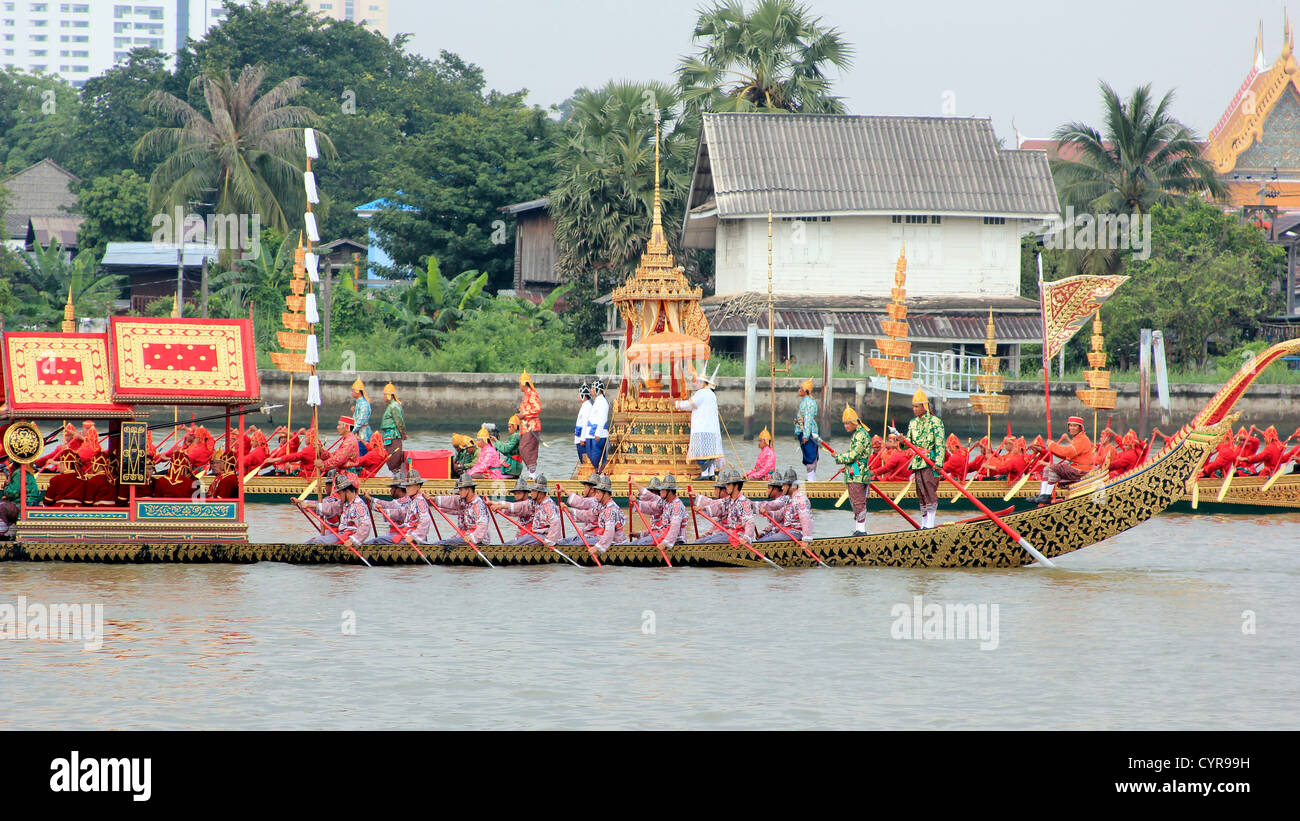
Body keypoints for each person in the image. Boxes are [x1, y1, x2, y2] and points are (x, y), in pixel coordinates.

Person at [903, 389, 945, 529]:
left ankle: (930, 524)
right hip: (917, 461)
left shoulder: (935, 422)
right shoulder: (912, 423)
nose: (914, 409)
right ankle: (924, 524)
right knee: (920, 492)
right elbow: (908, 443)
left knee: (929, 490)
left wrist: (939, 463)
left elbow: (940, 444)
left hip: (930, 461)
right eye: (913, 406)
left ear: (924, 406)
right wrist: (902, 440)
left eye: (917, 406)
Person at [1029, 415, 1094, 504]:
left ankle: (1047, 495)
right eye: (1070, 425)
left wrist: (1052, 445)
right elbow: (1066, 456)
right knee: (1047, 468)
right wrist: (1052, 448)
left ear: (1080, 428)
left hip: (1081, 470)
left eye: (1075, 426)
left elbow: (1068, 452)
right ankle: (1043, 494)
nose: (1072, 428)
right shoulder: (1076, 439)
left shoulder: (1082, 439)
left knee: (1054, 468)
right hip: (1075, 467)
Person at [675, 366, 722, 480]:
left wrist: (675, 403)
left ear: (702, 383)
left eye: (697, 382)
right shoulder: (711, 394)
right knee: (709, 454)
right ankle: (710, 474)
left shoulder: (702, 393)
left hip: (702, 428)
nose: (695, 384)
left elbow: (689, 404)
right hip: (710, 429)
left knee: (702, 452)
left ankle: (706, 475)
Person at [834, 404, 874, 535]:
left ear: (853, 423)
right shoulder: (858, 433)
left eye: (847, 424)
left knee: (858, 501)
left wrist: (838, 457)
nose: (845, 426)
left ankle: (861, 530)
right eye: (844, 424)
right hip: (855, 472)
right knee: (855, 501)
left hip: (858, 473)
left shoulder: (860, 435)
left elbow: (853, 455)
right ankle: (858, 528)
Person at [430, 474, 492, 549]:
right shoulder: (463, 500)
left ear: (468, 489)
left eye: (461, 489)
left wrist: (472, 538)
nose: (459, 492)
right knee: (442, 543)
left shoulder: (478, 504)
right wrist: (433, 499)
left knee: (444, 544)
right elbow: (451, 500)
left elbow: (483, 524)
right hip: (466, 535)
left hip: (478, 540)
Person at [633, 474, 688, 549]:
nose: (661, 491)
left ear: (670, 491)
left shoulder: (677, 505)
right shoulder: (664, 502)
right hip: (662, 535)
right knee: (634, 543)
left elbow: (675, 526)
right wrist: (636, 502)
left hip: (675, 539)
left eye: (662, 489)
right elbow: (651, 506)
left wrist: (665, 543)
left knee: (640, 543)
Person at [489, 476, 542, 546]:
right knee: (504, 545)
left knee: (506, 546)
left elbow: (517, 506)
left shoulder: (530, 505)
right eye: (515, 493)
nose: (516, 495)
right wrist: (496, 506)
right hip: (522, 537)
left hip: (532, 537)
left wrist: (500, 505)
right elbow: (512, 511)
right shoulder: (519, 507)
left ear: (526, 493)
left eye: (519, 493)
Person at [362, 474, 413, 545]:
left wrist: (371, 499)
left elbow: (389, 505)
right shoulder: (404, 500)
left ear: (398, 489)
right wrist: (370, 502)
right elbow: (386, 506)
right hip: (398, 533)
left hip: (404, 535)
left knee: (377, 541)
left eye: (392, 488)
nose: (390, 490)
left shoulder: (405, 501)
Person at [517, 369, 542, 478]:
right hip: (525, 426)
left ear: (523, 384)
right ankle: (531, 473)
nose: (519, 386)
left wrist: (524, 414)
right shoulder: (526, 394)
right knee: (523, 449)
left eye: (520, 383)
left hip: (531, 426)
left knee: (527, 449)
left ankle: (533, 474)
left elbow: (537, 408)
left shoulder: (532, 394)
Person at [793, 379, 820, 481]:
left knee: (810, 456)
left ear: (806, 390)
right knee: (807, 455)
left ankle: (811, 480)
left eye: (801, 388)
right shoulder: (805, 401)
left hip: (807, 432)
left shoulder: (809, 402)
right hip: (803, 431)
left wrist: (806, 435)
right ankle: (810, 478)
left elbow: (808, 419)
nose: (799, 390)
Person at [380, 381, 406, 473]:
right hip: (388, 436)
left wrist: (403, 434)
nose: (383, 397)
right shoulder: (390, 406)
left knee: (394, 459)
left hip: (393, 435)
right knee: (389, 459)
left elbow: (399, 422)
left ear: (390, 395)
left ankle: (398, 479)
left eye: (385, 395)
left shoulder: (394, 406)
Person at [587, 377, 610, 471]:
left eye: (593, 388)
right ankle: (597, 471)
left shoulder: (603, 402)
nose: (591, 390)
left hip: (599, 433)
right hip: (592, 432)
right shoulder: (597, 401)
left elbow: (602, 418)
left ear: (598, 390)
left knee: (596, 455)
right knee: (590, 454)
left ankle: (599, 472)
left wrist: (598, 433)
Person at [574, 382, 594, 466]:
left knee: (585, 461)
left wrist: (583, 439)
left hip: (583, 439)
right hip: (580, 437)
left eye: (579, 394)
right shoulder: (585, 405)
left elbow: (586, 423)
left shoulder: (587, 406)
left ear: (584, 396)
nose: (578, 396)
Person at [350, 378, 373, 444]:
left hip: (363, 436)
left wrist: (351, 432)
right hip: (358, 436)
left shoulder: (364, 404)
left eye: (353, 390)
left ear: (358, 391)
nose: (352, 392)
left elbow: (361, 421)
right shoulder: (359, 403)